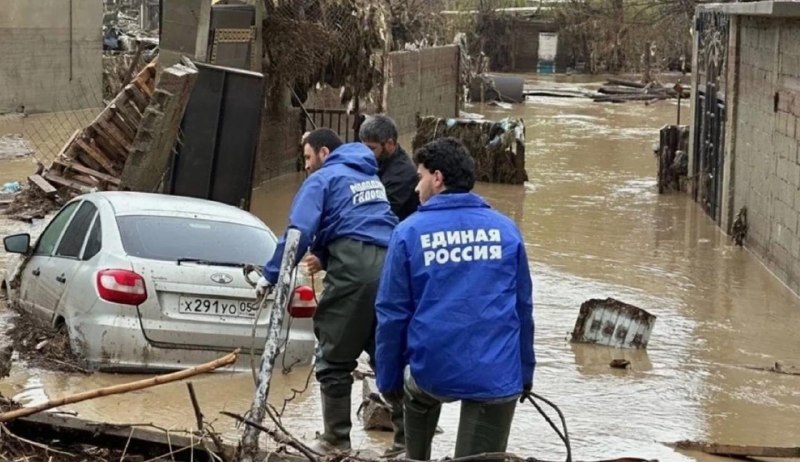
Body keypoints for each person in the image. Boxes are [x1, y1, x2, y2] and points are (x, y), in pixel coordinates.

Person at [374, 137, 535, 459]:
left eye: (419, 177)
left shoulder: (408, 232)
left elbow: (392, 314)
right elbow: (523, 309)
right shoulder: (507, 230)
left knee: (413, 388)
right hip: (497, 375)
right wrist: (524, 373)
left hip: (433, 370)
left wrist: (388, 378)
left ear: (437, 178)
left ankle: (414, 455)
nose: (416, 188)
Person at [259, 128, 397, 452]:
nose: (305, 166)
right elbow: (359, 220)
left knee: (334, 355)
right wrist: (323, 254)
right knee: (386, 353)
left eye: (307, 157)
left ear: (323, 153)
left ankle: (335, 441)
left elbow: (299, 230)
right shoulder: (369, 177)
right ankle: (407, 443)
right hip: (392, 265)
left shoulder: (323, 178)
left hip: (355, 268)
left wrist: (272, 273)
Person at [360, 114, 420, 222]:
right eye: (363, 147)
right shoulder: (379, 160)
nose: (365, 153)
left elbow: (380, 211)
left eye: (371, 148)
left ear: (390, 143)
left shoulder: (403, 172)